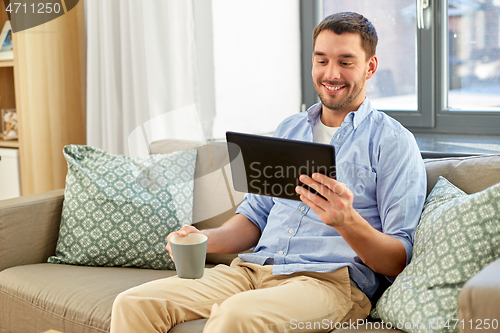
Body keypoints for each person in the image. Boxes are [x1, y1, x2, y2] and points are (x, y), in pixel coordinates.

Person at [110, 12, 426, 333]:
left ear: (370, 66)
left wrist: (347, 222)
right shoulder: (289, 129)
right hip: (253, 270)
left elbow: (399, 259)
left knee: (236, 317)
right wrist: (204, 239)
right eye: (322, 61)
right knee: (134, 302)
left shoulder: (393, 142)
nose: (331, 73)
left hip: (328, 283)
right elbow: (254, 216)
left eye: (346, 62)